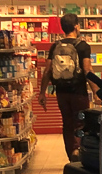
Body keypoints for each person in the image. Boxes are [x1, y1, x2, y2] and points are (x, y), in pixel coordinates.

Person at [38, 14, 94, 162]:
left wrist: (42, 93)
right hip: (79, 92)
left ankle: (71, 155)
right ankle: (79, 151)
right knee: (81, 123)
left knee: (67, 123)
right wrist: (96, 92)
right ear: (76, 26)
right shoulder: (83, 46)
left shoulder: (55, 46)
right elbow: (87, 70)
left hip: (61, 93)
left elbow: (47, 71)